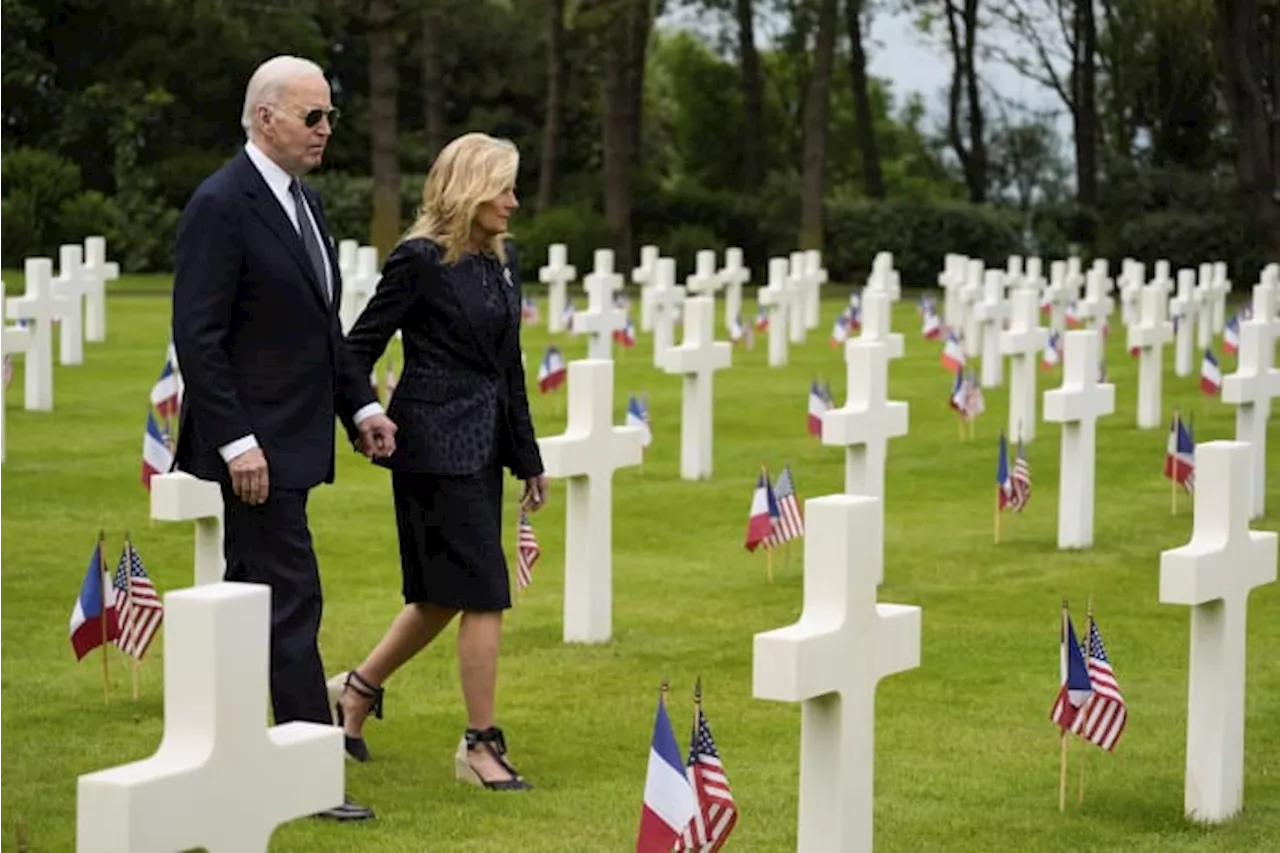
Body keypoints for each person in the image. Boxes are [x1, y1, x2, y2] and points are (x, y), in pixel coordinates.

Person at [170, 55, 396, 822]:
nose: (327, 129)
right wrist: (236, 443)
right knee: (292, 595)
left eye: (330, 115)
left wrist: (361, 408)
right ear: (265, 118)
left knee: (253, 594)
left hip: (296, 436)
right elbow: (198, 338)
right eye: (314, 116)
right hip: (255, 450)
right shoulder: (221, 204)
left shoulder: (307, 203)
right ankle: (306, 770)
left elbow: (321, 328)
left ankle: (232, 742)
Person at [332, 132, 548, 791]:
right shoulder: (419, 260)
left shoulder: (498, 262)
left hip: (482, 449)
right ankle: (479, 745)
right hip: (430, 446)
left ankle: (355, 689)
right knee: (484, 591)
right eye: (503, 187)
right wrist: (368, 414)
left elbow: (506, 367)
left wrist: (527, 457)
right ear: (469, 188)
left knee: (440, 594)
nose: (514, 200)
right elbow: (354, 349)